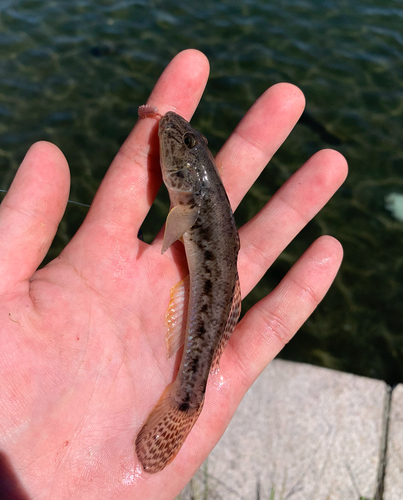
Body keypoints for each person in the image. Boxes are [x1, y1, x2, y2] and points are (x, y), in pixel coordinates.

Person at [0, 49, 347, 499]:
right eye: (189, 143)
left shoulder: (191, 201)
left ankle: (186, 398)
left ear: (187, 179)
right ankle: (187, 396)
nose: (177, 137)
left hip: (206, 290)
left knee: (203, 344)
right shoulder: (190, 198)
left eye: (188, 146)